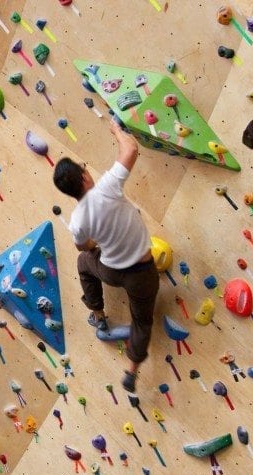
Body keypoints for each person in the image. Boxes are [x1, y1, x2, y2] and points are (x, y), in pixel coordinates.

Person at [53, 119, 159, 394]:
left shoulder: (77, 220)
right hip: (141, 272)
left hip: (111, 270)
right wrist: (116, 130)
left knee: (84, 264)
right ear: (85, 177)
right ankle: (132, 370)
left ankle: (98, 314)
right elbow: (131, 150)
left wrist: (94, 245)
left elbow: (83, 247)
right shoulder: (108, 186)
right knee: (142, 321)